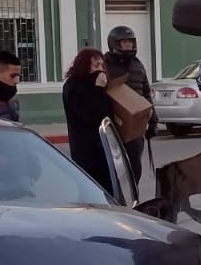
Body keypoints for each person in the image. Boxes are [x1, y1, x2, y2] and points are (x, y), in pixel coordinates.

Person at [103, 25, 157, 183]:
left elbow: (146, 94)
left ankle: (133, 199)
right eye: (124, 42)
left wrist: (153, 121)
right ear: (114, 43)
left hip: (136, 126)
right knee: (114, 168)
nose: (128, 45)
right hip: (114, 125)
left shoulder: (138, 65)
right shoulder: (105, 64)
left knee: (134, 166)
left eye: (130, 42)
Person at [62, 48, 114, 191]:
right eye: (96, 66)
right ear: (85, 66)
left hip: (103, 148)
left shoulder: (97, 85)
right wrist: (98, 89)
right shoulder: (74, 87)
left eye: (102, 66)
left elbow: (106, 114)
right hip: (86, 151)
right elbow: (90, 115)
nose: (100, 70)